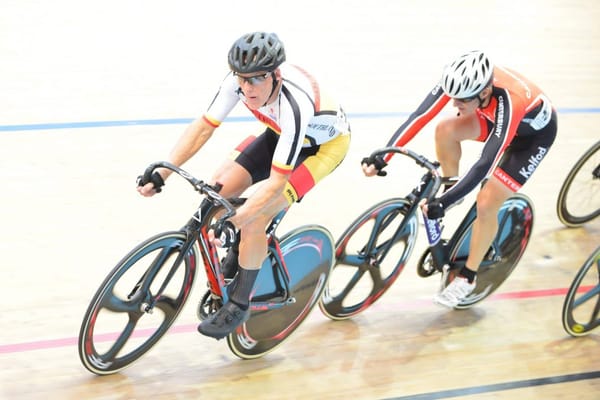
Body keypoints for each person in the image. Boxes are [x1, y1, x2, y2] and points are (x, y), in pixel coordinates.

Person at [137, 31, 351, 338]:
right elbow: (203, 128)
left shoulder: (295, 105)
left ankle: (239, 304)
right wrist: (165, 172)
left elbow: (278, 181)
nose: (246, 87)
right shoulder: (236, 84)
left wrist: (238, 219)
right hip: (279, 136)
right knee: (216, 189)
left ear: (276, 75)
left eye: (255, 80)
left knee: (254, 219)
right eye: (241, 78)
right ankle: (237, 252)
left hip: (321, 149)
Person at [361, 50, 557, 307]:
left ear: (484, 92)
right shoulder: (462, 82)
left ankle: (468, 278)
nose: (454, 104)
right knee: (445, 129)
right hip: (493, 118)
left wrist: (442, 202)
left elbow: (485, 163)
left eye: (462, 100)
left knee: (487, 202)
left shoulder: (510, 101)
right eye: (452, 96)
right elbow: (420, 117)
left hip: (531, 138)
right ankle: (452, 187)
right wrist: (383, 157)